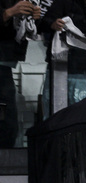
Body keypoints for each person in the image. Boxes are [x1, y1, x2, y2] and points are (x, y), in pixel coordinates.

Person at [0, 0, 41, 148]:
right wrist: (7, 13)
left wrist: (36, 18)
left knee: (8, 119)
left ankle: (6, 157)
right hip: (5, 61)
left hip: (6, 62)